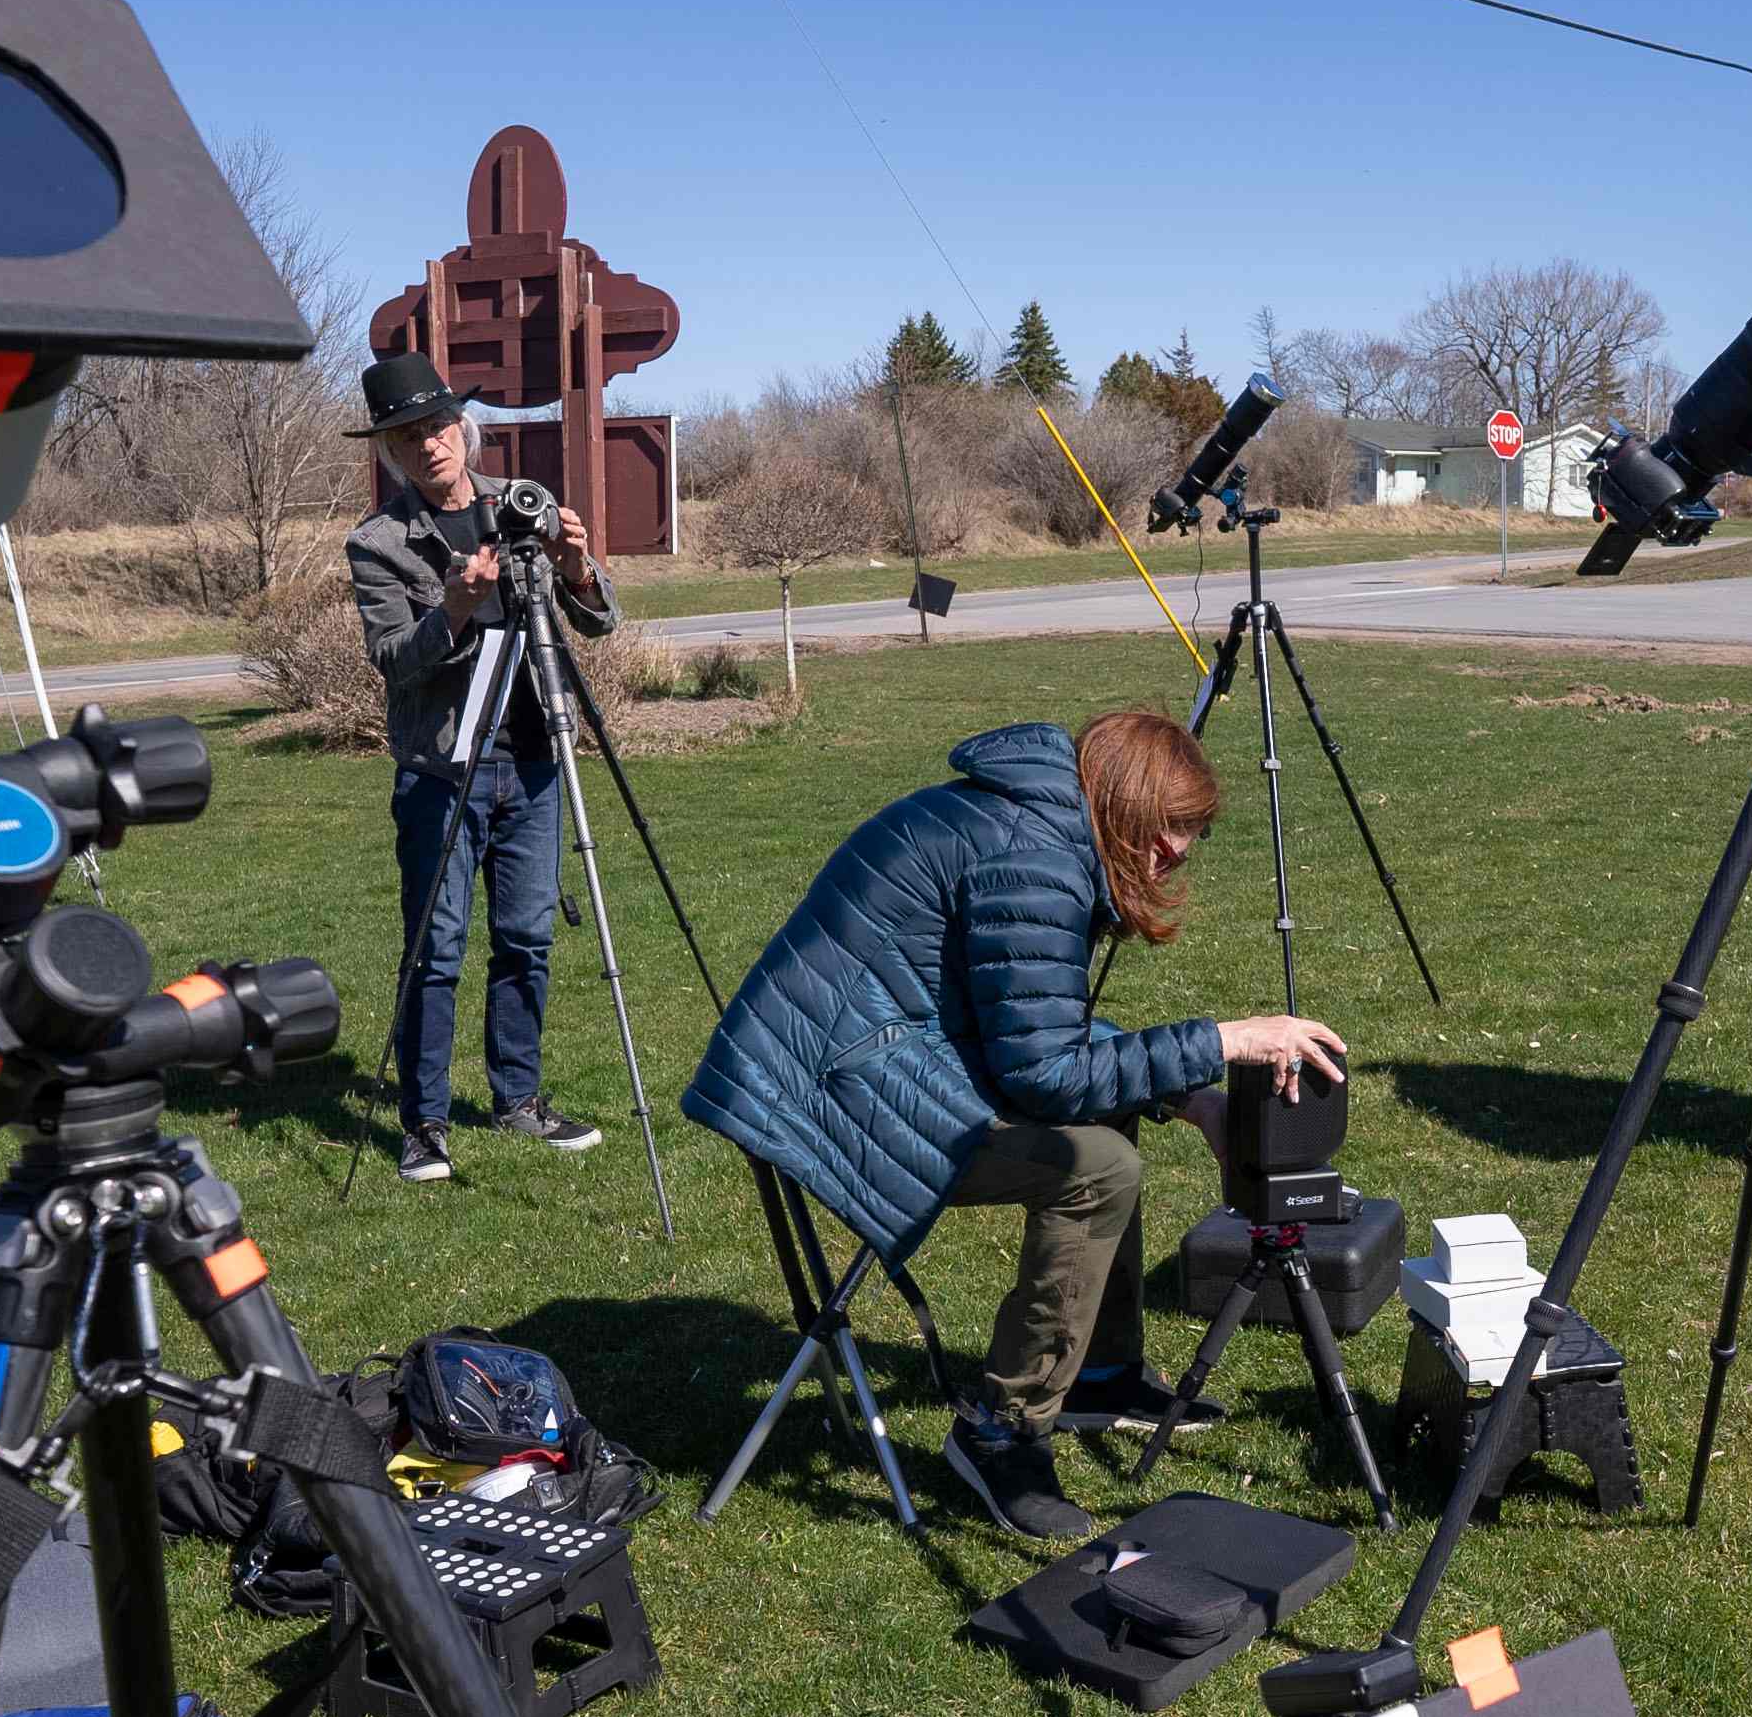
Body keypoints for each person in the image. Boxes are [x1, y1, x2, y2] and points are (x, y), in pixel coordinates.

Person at [684, 709, 1345, 1539]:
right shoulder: (1034, 856)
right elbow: (1046, 1074)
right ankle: (1003, 1429)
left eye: (1192, 832)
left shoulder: (1032, 823)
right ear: (1123, 802)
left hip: (860, 1055)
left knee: (1106, 1127)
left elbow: (1028, 1035)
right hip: (824, 1090)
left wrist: (1189, 1098)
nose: (1178, 850)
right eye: (1169, 826)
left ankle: (1099, 1374)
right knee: (1099, 1166)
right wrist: (1223, 1042)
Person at [346, 349, 619, 1183]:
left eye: (436, 427)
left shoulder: (518, 505)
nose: (429, 446)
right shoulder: (380, 543)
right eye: (407, 438)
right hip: (444, 768)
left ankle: (518, 1101)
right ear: (390, 453)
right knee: (436, 946)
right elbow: (393, 659)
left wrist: (576, 566)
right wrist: (455, 611)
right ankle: (424, 1124)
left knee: (527, 938)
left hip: (534, 759)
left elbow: (598, 619)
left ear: (462, 429)